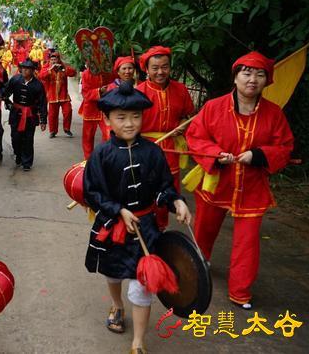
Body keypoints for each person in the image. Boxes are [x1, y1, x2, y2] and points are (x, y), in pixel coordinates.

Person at [83, 81, 191, 354]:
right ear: (107, 119)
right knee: (113, 273)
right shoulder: (102, 154)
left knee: (143, 286)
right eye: (121, 117)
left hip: (146, 228)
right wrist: (118, 209)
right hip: (112, 225)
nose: (130, 123)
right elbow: (92, 192)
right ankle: (117, 305)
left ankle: (138, 342)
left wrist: (176, 201)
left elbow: (164, 186)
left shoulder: (153, 152)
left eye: (135, 116)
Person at [185, 51, 294, 310]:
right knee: (204, 230)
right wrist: (214, 153)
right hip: (217, 180)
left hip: (252, 186)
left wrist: (258, 155)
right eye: (246, 73)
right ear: (235, 78)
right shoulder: (213, 107)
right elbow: (196, 136)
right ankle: (199, 265)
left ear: (267, 81)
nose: (252, 79)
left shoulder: (274, 114)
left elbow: (285, 147)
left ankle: (240, 291)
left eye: (259, 74)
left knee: (247, 242)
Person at [136, 46, 194, 229]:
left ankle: (161, 228)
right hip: (144, 147)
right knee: (143, 188)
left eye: (165, 67)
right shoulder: (139, 91)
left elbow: (188, 115)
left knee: (167, 187)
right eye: (155, 68)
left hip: (170, 147)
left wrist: (183, 125)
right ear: (146, 69)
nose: (160, 72)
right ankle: (142, 227)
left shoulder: (181, 89)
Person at [2, 58, 48, 171]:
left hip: (30, 115)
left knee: (28, 139)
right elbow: (5, 92)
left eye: (27, 69)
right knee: (15, 138)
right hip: (16, 114)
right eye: (23, 68)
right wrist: (6, 100)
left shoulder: (38, 85)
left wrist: (43, 120)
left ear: (32, 71)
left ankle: (27, 163)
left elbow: (42, 103)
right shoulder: (15, 80)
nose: (24, 71)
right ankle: (18, 155)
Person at [39, 50, 76, 138]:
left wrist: (63, 69)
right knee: (52, 115)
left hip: (64, 96)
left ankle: (67, 129)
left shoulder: (63, 66)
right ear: (49, 60)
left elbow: (73, 73)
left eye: (55, 60)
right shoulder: (46, 67)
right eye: (52, 60)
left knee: (68, 111)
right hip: (52, 96)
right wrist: (50, 69)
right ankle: (53, 131)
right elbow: (41, 76)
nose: (53, 61)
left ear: (58, 60)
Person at [102, 56, 137, 141]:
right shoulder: (111, 88)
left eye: (130, 68)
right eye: (124, 69)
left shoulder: (140, 86)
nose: (127, 72)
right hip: (117, 126)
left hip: (135, 126)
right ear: (118, 71)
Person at [78, 68, 110, 159]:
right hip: (90, 108)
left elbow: (114, 84)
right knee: (88, 136)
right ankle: (88, 159)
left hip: (105, 108)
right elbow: (86, 93)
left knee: (108, 133)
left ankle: (106, 156)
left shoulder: (108, 71)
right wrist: (99, 91)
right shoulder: (85, 74)